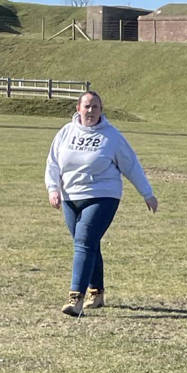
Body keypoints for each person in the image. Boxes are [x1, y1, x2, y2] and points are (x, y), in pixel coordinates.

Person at [45, 90, 158, 316]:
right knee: (88, 243)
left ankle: (75, 298)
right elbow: (53, 163)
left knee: (84, 241)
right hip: (70, 197)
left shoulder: (111, 136)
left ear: (101, 110)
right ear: (78, 108)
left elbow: (131, 164)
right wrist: (53, 188)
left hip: (103, 195)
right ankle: (96, 292)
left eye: (95, 107)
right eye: (87, 106)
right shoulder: (66, 133)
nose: (91, 110)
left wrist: (147, 193)